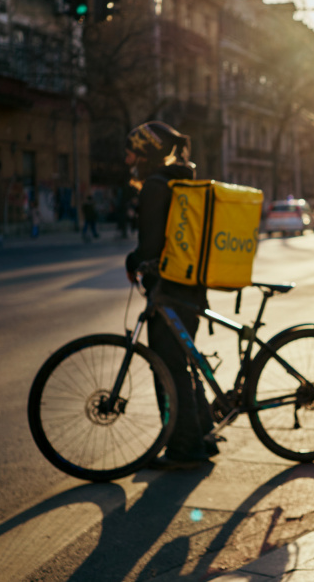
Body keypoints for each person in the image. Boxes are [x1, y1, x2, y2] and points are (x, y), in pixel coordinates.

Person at [124, 121, 219, 470]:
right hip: (190, 286)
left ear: (145, 150)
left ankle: (186, 447)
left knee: (168, 367)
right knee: (181, 364)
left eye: (131, 149)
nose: (127, 157)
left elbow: (150, 245)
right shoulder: (182, 179)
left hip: (168, 289)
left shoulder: (154, 186)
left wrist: (132, 261)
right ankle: (202, 434)